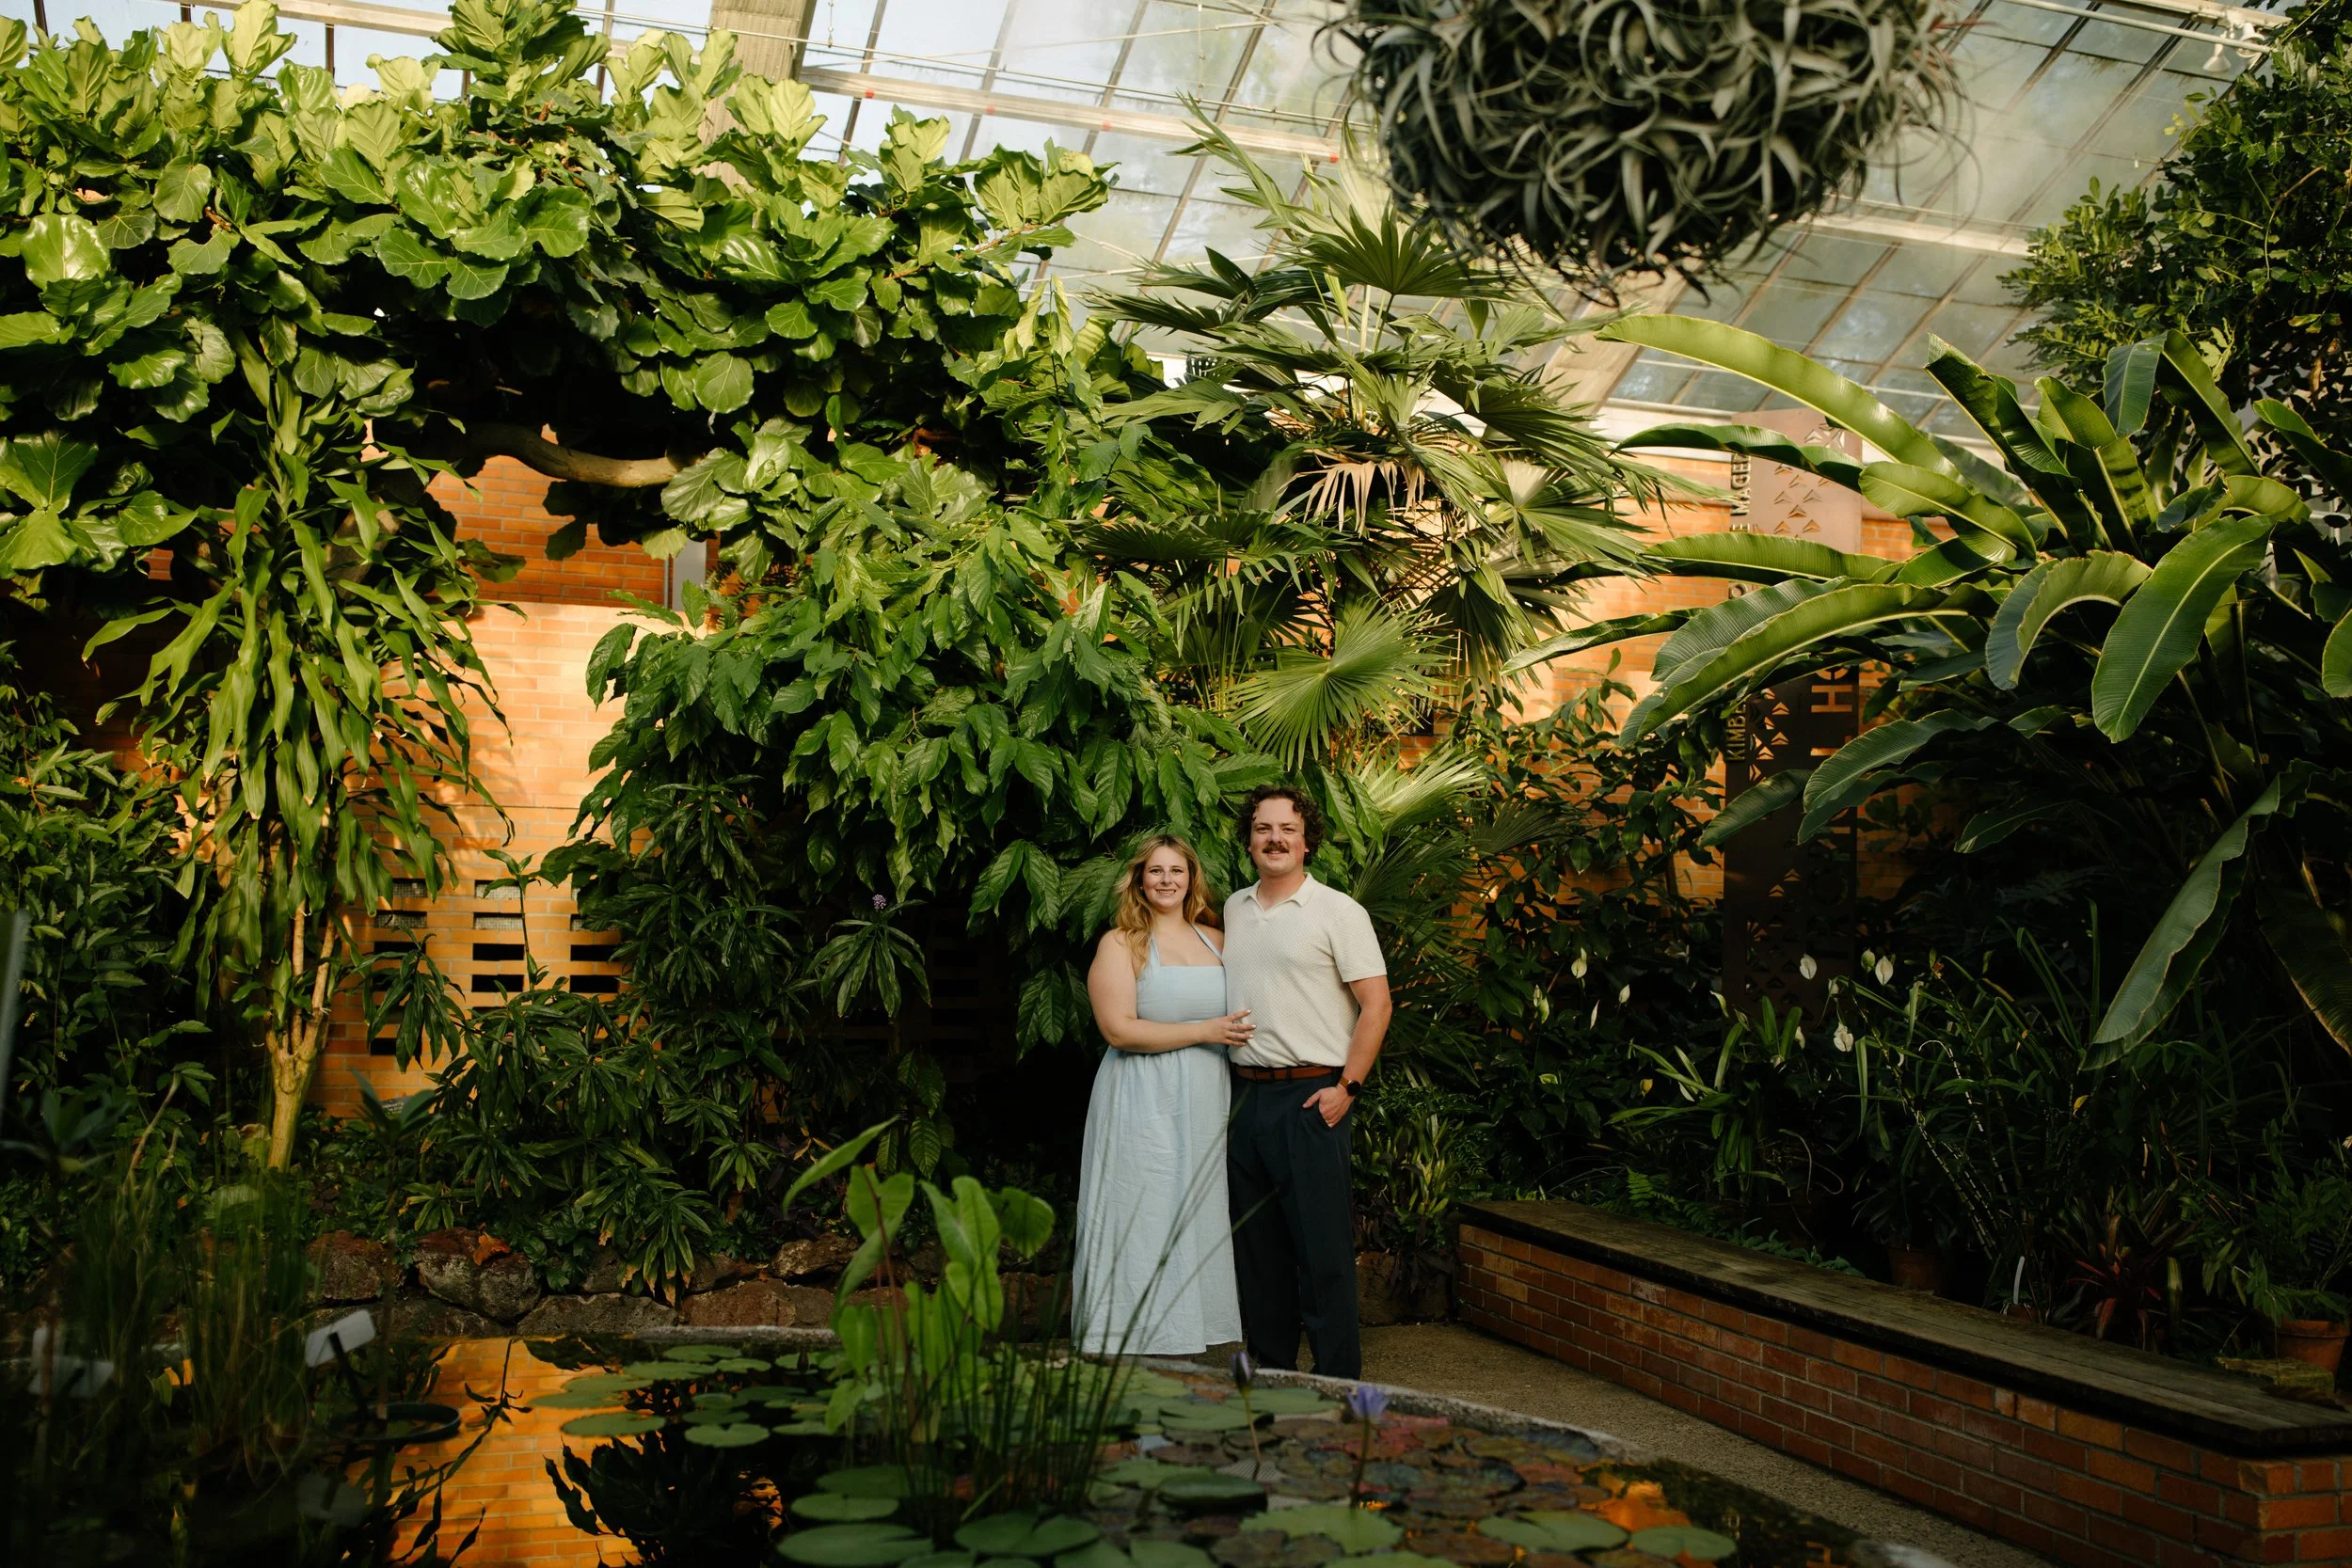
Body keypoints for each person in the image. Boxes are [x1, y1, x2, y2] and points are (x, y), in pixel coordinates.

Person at [1221, 784, 1391, 1380]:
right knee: (1259, 1253)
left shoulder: (1339, 912)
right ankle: (1269, 1374)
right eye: (1263, 829)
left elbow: (1377, 1005)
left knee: (1322, 1254)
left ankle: (1337, 1382)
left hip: (1313, 1096)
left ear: (1307, 840)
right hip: (1245, 1097)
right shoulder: (1232, 910)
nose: (1275, 839)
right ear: (1248, 839)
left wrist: (1350, 1087)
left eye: (1287, 829)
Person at [1072, 834, 1255, 1354]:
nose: (1167, 880)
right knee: (1142, 1204)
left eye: (1177, 870)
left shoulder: (1218, 941)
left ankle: (1188, 1331)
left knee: (1195, 1207)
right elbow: (1119, 1031)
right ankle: (1125, 1334)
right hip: (1140, 1096)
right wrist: (1205, 1032)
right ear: (1139, 879)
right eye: (1156, 871)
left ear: (1193, 879)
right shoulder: (1120, 943)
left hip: (1206, 1096)